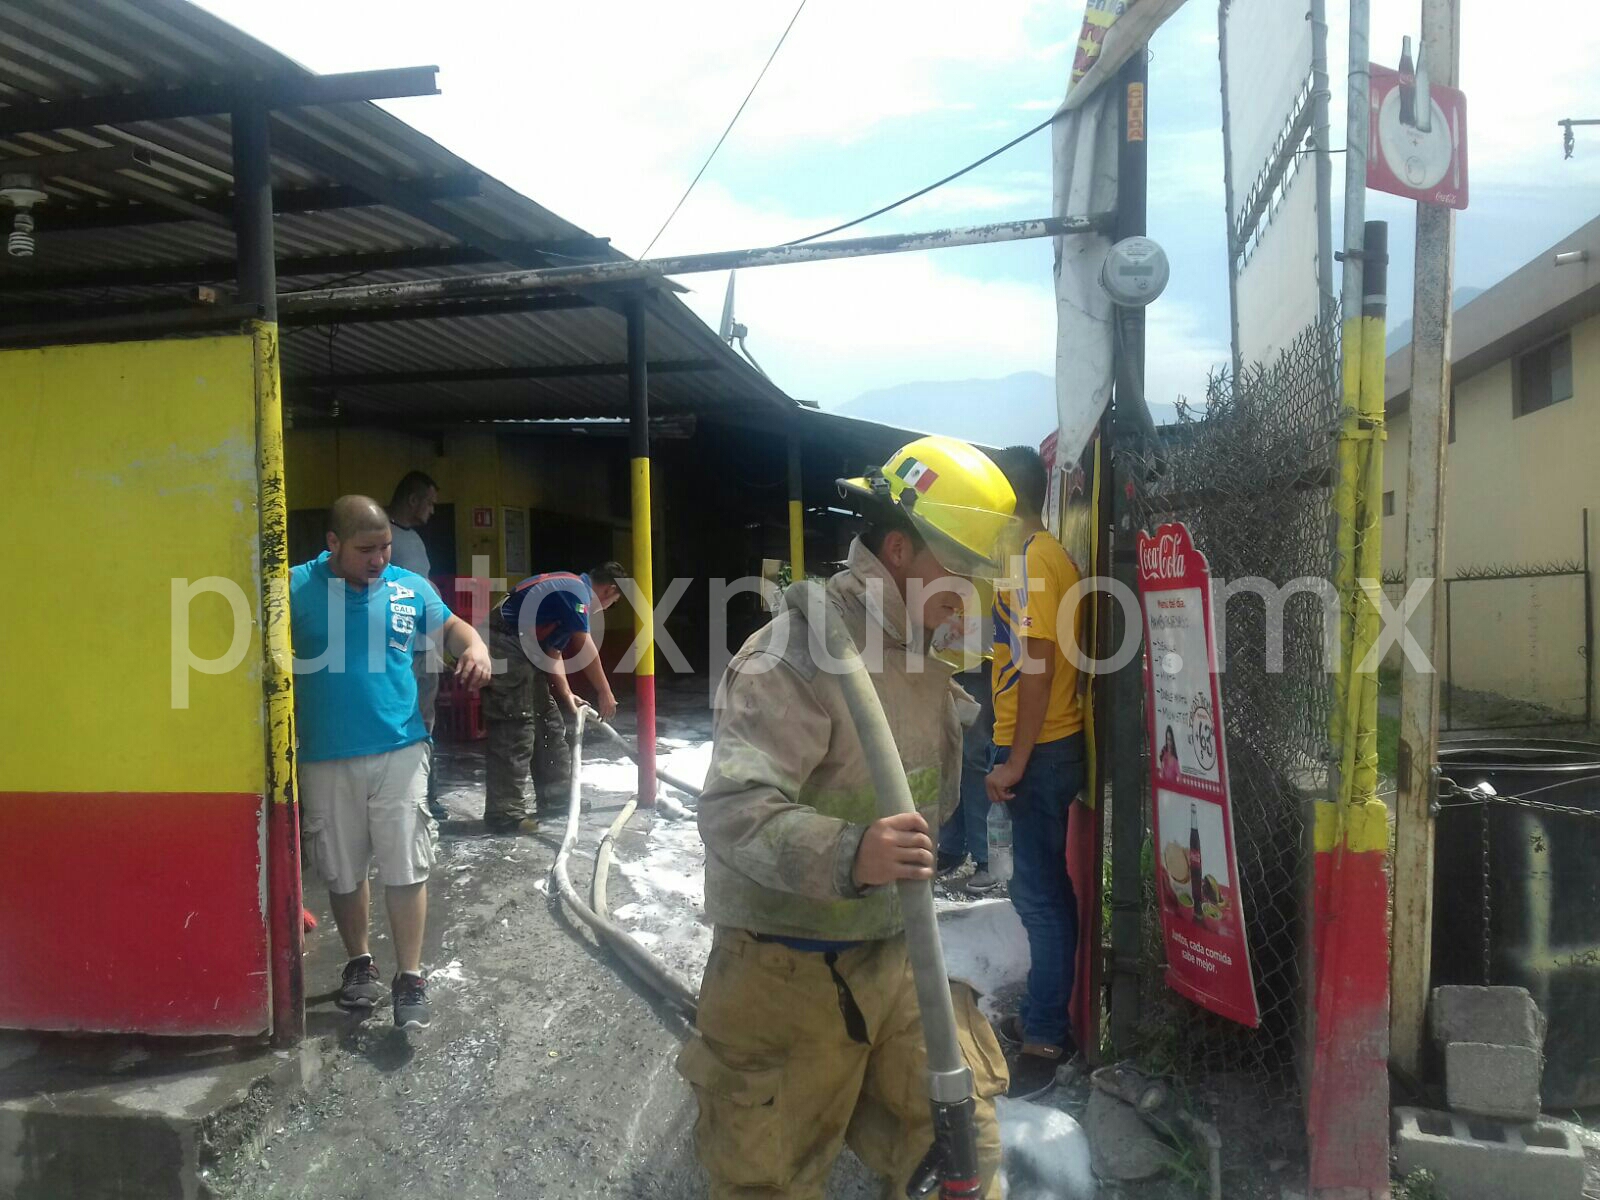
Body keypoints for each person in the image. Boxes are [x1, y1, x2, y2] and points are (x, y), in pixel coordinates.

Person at [681, 435, 1017, 1198]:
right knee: (770, 1178)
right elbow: (734, 813)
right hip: (783, 975)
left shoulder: (918, 653)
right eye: (962, 569)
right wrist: (850, 853)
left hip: (898, 963)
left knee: (965, 1154)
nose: (973, 591)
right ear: (900, 550)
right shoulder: (795, 652)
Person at [290, 495, 491, 1030]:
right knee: (342, 866)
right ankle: (359, 963)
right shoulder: (292, 588)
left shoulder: (409, 586)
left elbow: (454, 629)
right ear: (333, 544)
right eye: (365, 550)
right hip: (325, 755)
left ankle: (410, 976)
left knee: (406, 861)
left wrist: (475, 648)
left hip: (402, 747)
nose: (379, 559)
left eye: (384, 547)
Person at [984, 445, 1088, 1095]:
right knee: (1044, 894)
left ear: (1004, 496)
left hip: (1040, 750)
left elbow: (1038, 668)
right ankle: (1049, 1017)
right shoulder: (1030, 556)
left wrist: (1015, 761)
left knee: (1040, 900)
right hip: (1043, 748)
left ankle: (1047, 1036)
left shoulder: (1034, 561)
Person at [484, 564, 626, 833]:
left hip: (521, 647)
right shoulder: (575, 591)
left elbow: (553, 651)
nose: (607, 609)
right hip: (502, 641)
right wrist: (605, 692)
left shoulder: (571, 596)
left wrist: (566, 693)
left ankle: (556, 798)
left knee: (547, 720)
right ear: (609, 590)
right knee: (516, 723)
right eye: (613, 603)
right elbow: (584, 646)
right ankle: (503, 812)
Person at [386, 471, 450, 823]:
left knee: (426, 720)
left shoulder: (412, 539)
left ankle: (426, 794)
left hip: (425, 647)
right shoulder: (384, 538)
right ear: (412, 500)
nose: (432, 511)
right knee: (403, 719)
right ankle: (407, 796)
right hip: (400, 651)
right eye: (429, 503)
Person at [938, 664, 999, 893]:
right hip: (940, 653)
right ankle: (951, 846)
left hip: (976, 654)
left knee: (975, 753)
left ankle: (987, 858)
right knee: (946, 746)